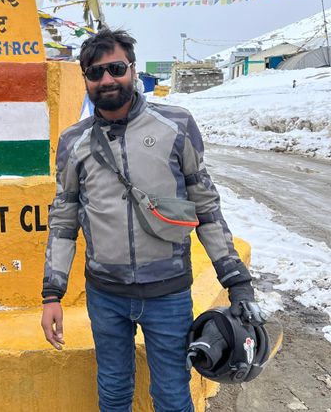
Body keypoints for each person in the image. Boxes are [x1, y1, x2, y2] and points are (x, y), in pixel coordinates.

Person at [40, 29, 264, 412]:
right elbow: (63, 219)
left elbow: (207, 208)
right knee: (112, 392)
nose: (107, 79)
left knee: (173, 396)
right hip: (106, 295)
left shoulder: (176, 125)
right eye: (95, 73)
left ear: (132, 69)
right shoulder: (73, 142)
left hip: (169, 294)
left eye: (115, 68)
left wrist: (237, 283)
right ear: (86, 80)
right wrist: (52, 294)